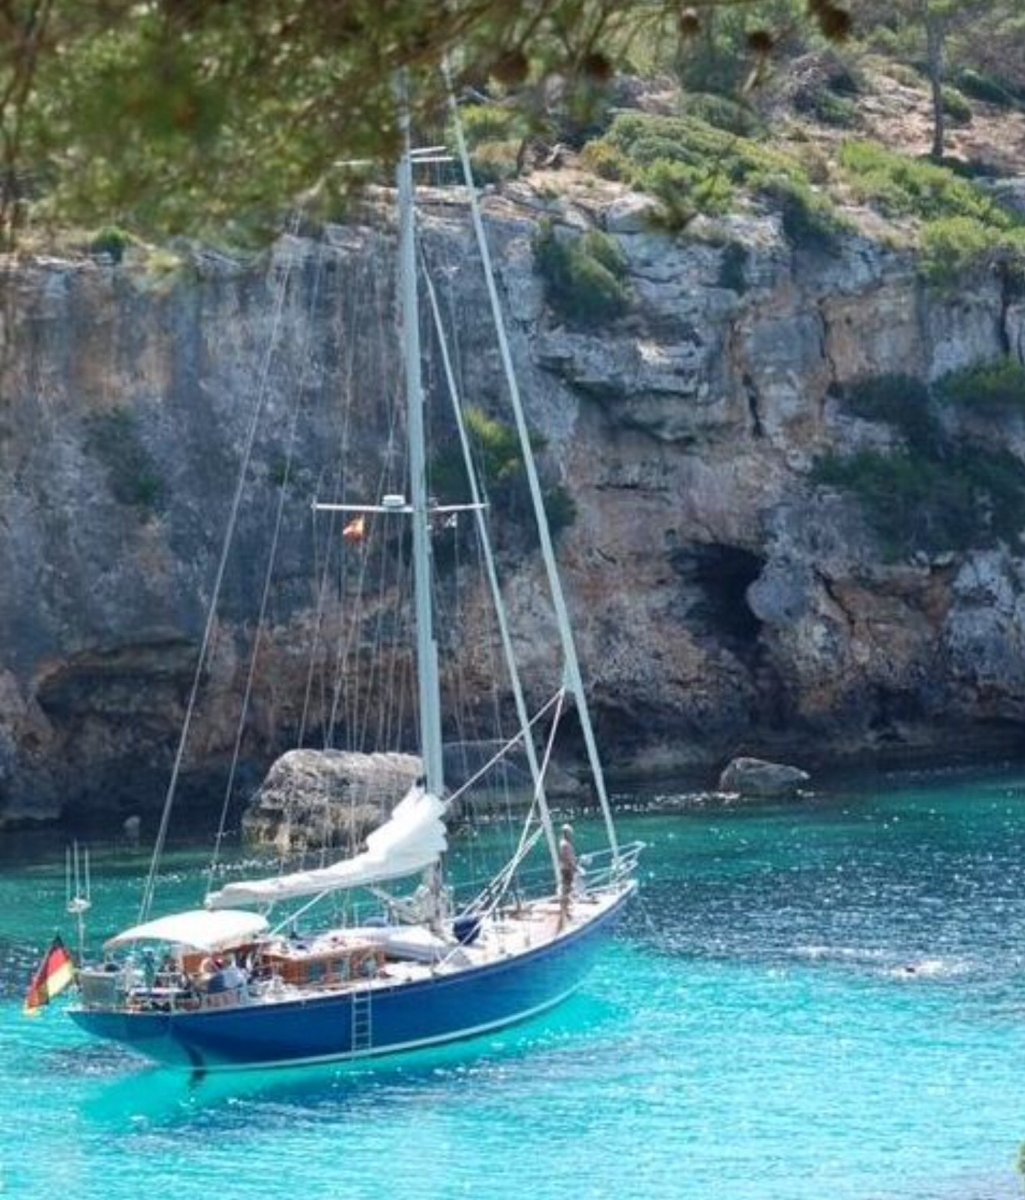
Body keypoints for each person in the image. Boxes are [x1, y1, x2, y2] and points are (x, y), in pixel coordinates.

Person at [557, 823, 577, 931]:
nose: (571, 835)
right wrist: (575, 867)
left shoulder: (564, 843)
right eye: (570, 833)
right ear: (567, 833)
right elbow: (567, 858)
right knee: (567, 889)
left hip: (567, 868)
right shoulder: (565, 844)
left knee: (568, 889)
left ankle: (566, 909)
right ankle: (565, 910)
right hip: (567, 869)